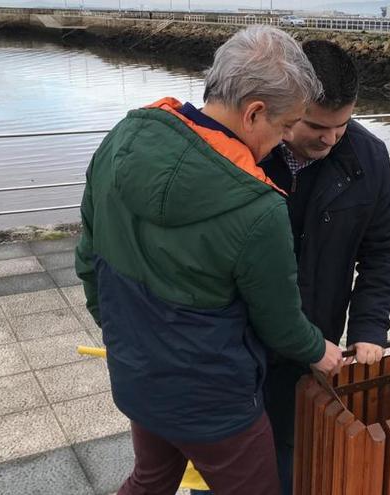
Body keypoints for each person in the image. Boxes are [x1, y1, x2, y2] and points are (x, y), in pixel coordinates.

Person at [75, 26, 345, 495]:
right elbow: (279, 322)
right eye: (284, 128)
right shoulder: (257, 207)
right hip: (214, 401)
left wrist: (126, 337)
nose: (284, 142)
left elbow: (87, 263)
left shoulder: (120, 141)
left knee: (151, 479)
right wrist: (320, 351)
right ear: (254, 112)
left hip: (138, 375)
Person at [259, 40, 390, 494]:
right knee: (222, 466)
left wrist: (368, 327)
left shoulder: (369, 156)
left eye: (343, 125)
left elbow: (384, 248)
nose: (330, 138)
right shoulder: (244, 153)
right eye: (317, 126)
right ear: (286, 105)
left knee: (292, 455)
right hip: (240, 347)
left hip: (316, 344)